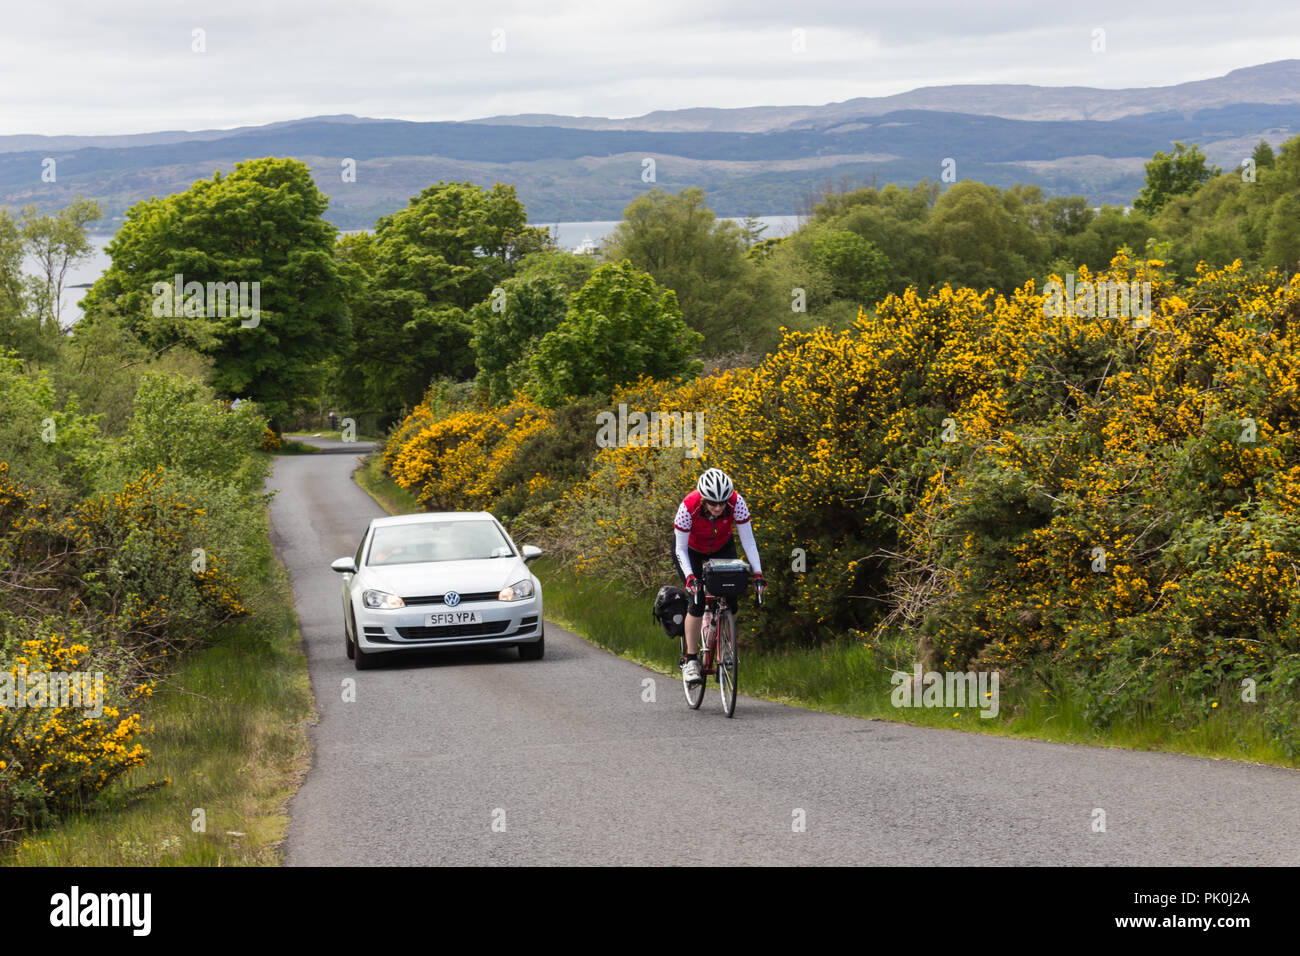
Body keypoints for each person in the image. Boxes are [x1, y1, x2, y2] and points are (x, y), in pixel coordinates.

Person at [672, 467, 766, 685]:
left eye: (722, 503)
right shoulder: (688, 507)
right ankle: (692, 660)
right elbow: (680, 549)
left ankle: (726, 648)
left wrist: (758, 573)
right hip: (691, 551)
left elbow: (748, 541)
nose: (718, 507)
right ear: (703, 500)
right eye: (712, 503)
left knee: (731, 599)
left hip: (722, 548)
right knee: (696, 601)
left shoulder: (737, 503)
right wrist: (690, 578)